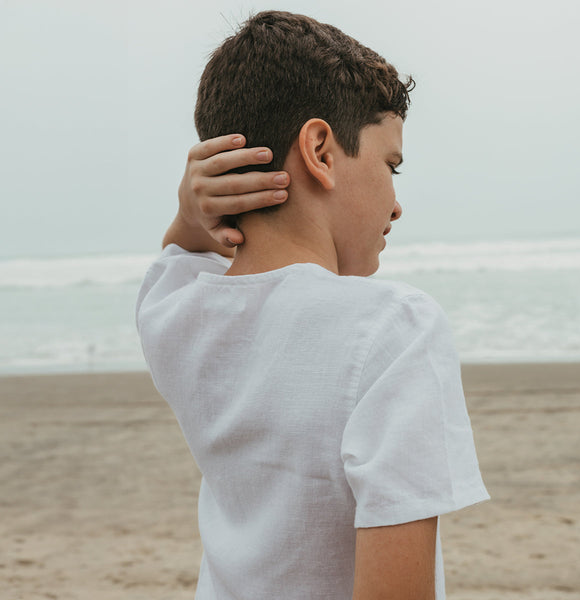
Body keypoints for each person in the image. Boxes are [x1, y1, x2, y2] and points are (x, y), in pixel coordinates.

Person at [136, 11, 489, 600]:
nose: (397, 204)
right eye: (390, 165)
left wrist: (189, 212)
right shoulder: (393, 328)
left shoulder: (174, 314)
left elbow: (179, 255)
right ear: (320, 150)